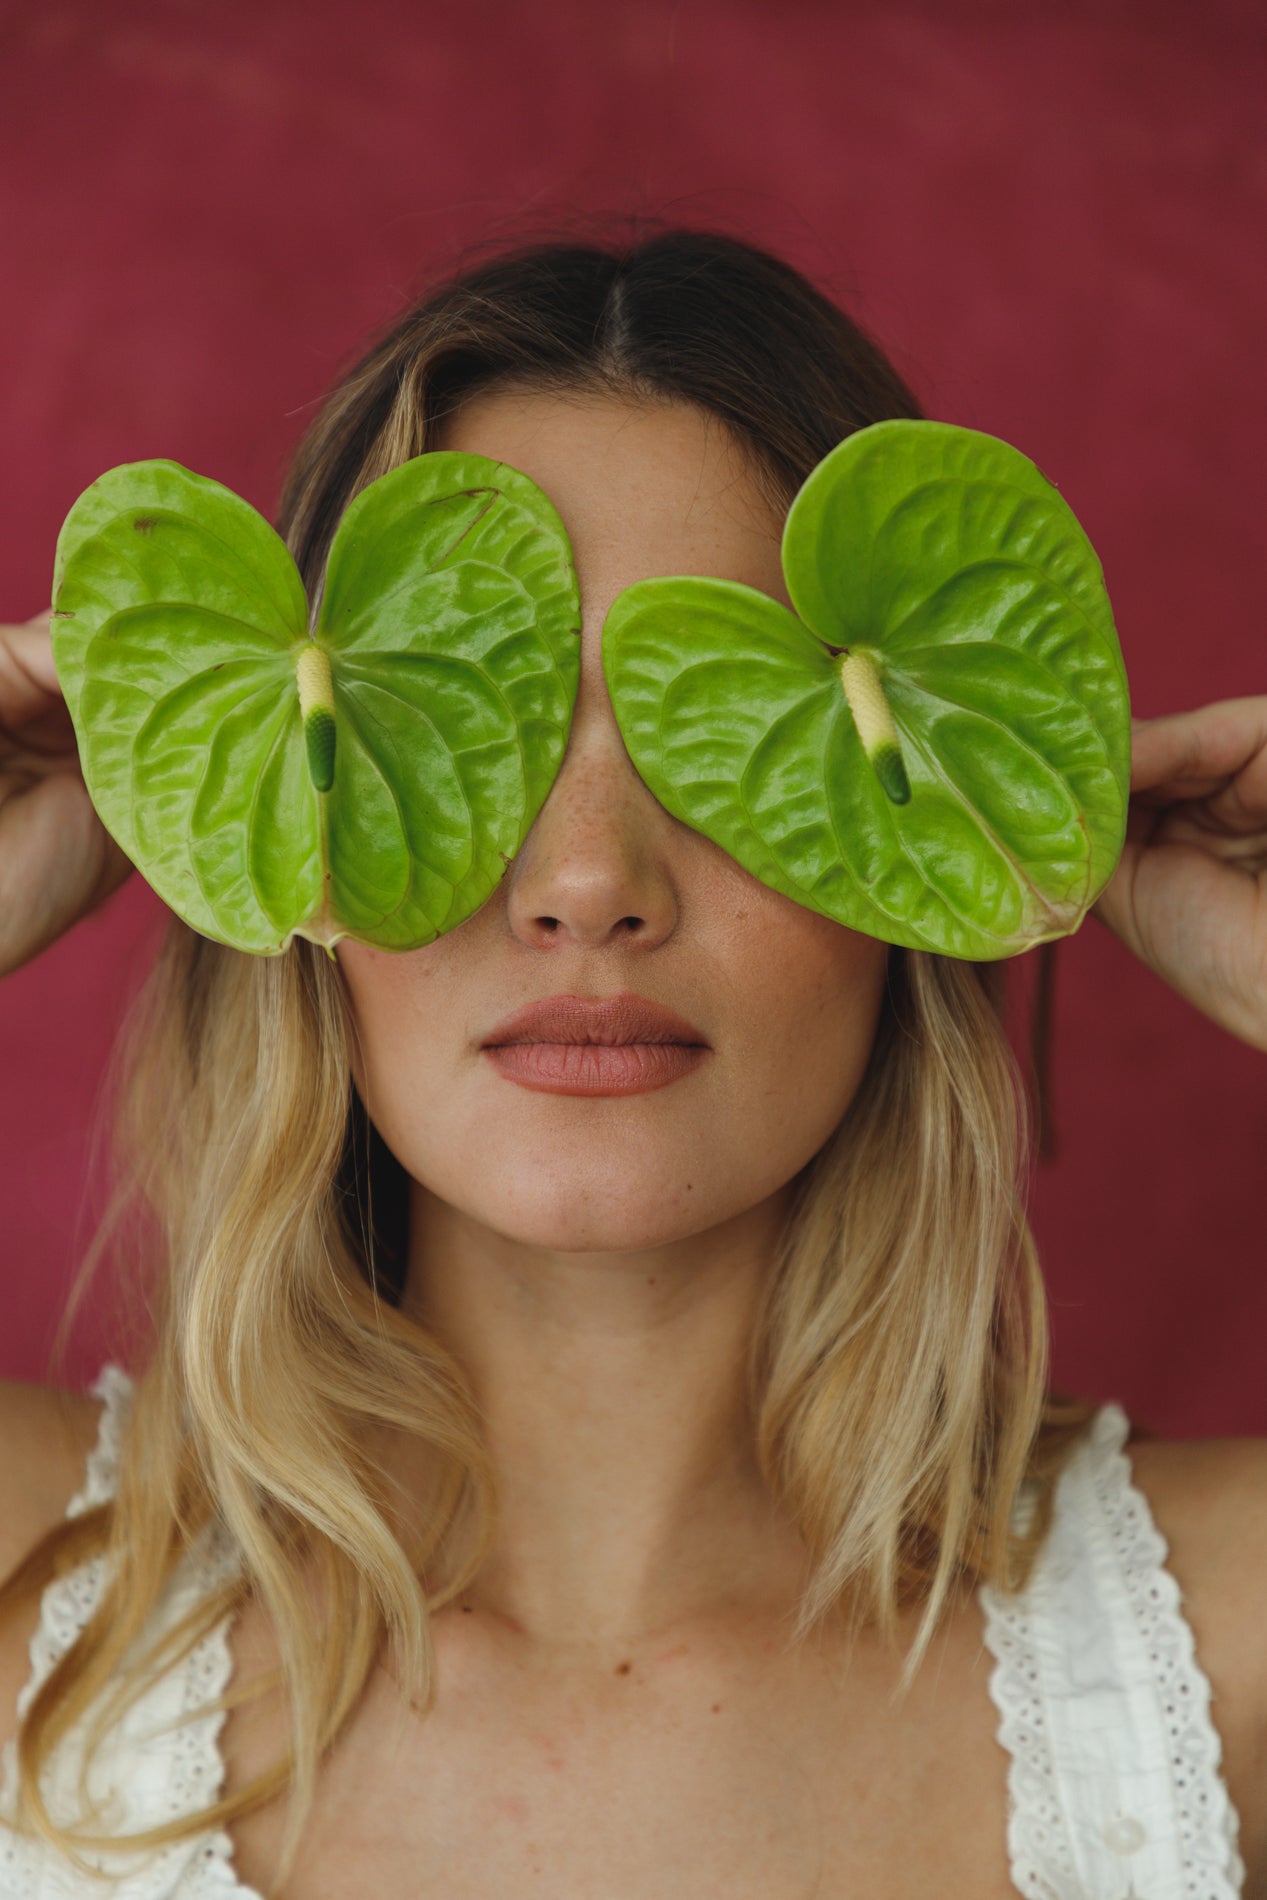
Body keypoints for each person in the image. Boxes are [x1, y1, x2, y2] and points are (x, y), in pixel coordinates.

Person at [0, 225, 1263, 1899]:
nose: (591, 884)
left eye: (723, 742)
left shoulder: (1225, 1651)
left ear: (910, 857)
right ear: (275, 809)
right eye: (472, 737)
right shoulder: (32, 1592)